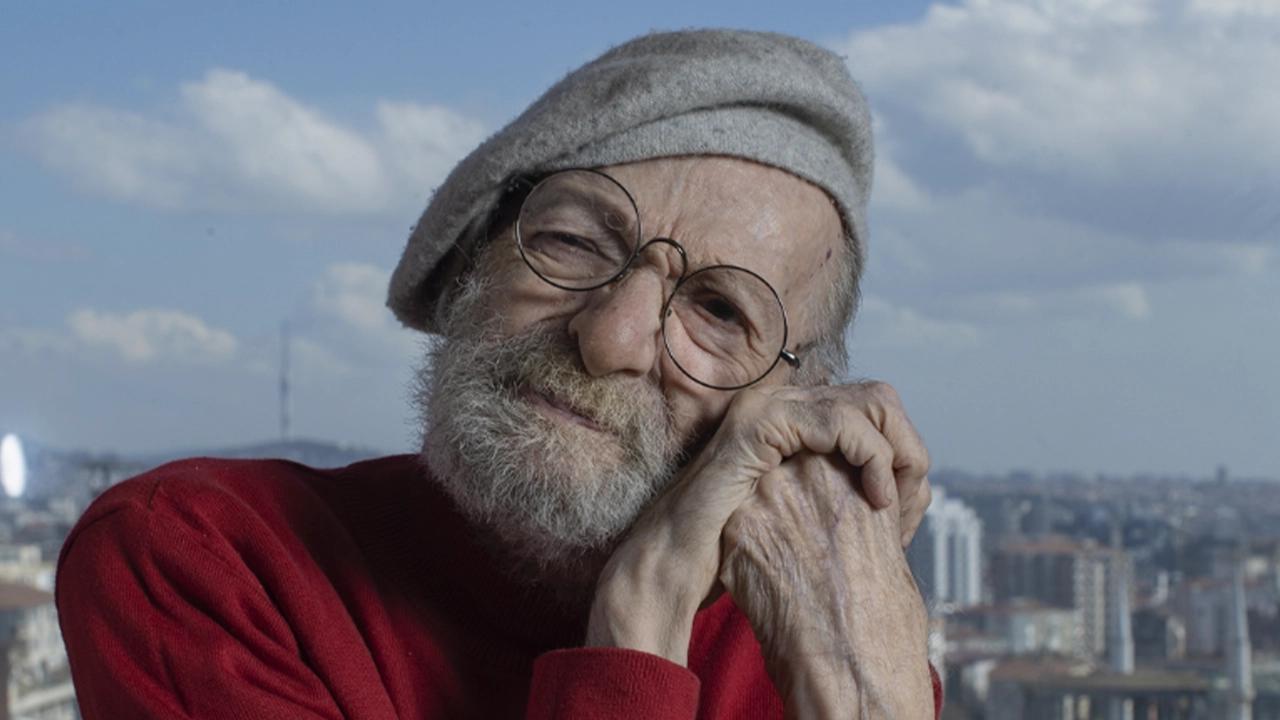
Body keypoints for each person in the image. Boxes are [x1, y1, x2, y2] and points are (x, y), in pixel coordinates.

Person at [57, 29, 941, 718]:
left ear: (792, 399)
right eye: (573, 241)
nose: (611, 337)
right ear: (470, 262)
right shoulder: (206, 558)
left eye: (719, 310)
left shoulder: (833, 642)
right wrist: (637, 629)